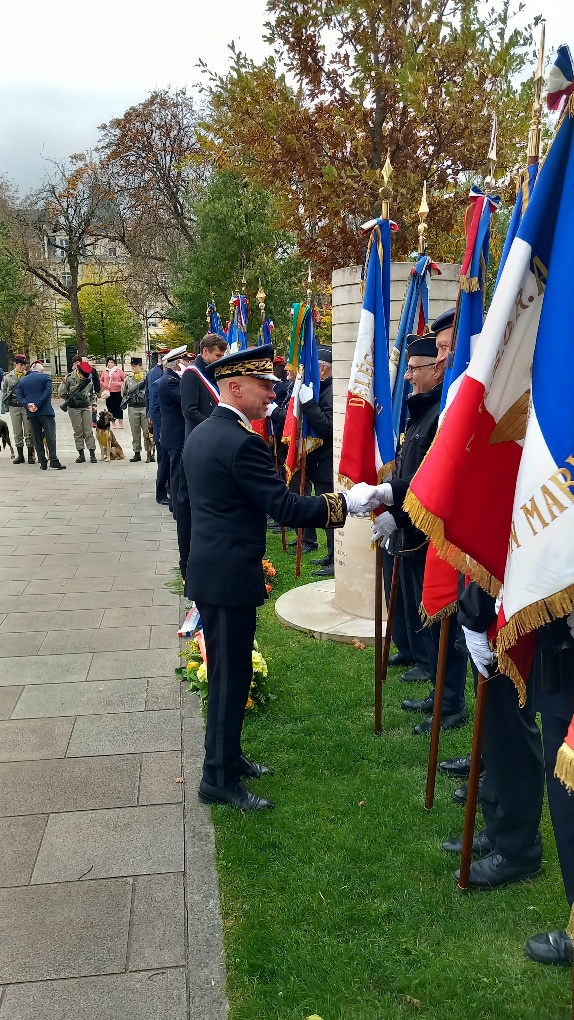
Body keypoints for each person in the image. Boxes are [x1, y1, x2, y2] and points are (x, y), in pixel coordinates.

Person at [183, 343, 386, 811]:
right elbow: (286, 507)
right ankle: (218, 779)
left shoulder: (206, 434)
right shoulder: (240, 442)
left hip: (213, 572)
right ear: (234, 387)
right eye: (263, 386)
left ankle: (228, 757)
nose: (271, 395)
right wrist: (346, 504)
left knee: (227, 677)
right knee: (231, 680)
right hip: (229, 578)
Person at [372, 332, 468, 734]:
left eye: (414, 369)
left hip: (428, 532)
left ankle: (450, 704)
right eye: (408, 368)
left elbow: (431, 482)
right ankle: (437, 689)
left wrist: (399, 513)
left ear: (438, 368)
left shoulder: (440, 415)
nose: (408, 377)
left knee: (441, 616)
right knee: (422, 614)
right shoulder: (422, 411)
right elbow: (409, 472)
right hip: (412, 531)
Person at [177, 333, 227, 578]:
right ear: (205, 351)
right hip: (196, 443)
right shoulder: (191, 375)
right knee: (188, 503)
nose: (221, 359)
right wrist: (215, 425)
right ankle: (186, 563)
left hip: (210, 443)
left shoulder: (210, 373)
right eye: (218, 355)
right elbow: (190, 410)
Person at [157, 346, 191, 518]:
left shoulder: (170, 378)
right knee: (176, 473)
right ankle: (177, 509)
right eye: (184, 360)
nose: (187, 363)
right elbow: (184, 399)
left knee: (175, 471)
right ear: (178, 362)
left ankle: (174, 505)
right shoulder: (170, 380)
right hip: (175, 434)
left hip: (174, 433)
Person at [15, 361, 65, 470]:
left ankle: (42, 461)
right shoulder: (46, 377)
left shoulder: (22, 381)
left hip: (31, 413)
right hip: (45, 411)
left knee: (37, 438)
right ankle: (53, 460)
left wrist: (28, 405)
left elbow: (19, 397)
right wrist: (38, 404)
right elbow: (47, 392)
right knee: (50, 436)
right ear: (41, 370)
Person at [58, 359, 97, 463]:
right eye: (83, 376)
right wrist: (70, 398)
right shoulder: (69, 378)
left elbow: (92, 393)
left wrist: (94, 404)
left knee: (88, 430)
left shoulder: (88, 379)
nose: (85, 378)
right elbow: (61, 392)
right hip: (73, 408)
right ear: (79, 372)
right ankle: (81, 454)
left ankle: (92, 453)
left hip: (86, 406)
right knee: (78, 430)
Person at [1, 354, 35, 464]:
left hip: (25, 406)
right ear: (16, 364)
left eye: (24, 365)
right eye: (21, 365)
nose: (23, 367)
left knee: (29, 431)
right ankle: (20, 455)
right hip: (14, 407)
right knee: (17, 431)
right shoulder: (8, 377)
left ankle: (30, 455)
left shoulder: (28, 376)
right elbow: (4, 390)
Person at [147, 348, 170, 505]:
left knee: (167, 461)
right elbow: (155, 408)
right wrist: (160, 430)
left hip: (166, 428)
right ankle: (160, 493)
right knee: (163, 462)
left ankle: (166, 489)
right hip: (162, 429)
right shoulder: (157, 378)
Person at [121, 356, 152, 463]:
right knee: (135, 431)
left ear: (141, 366)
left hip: (144, 407)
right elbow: (124, 393)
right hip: (133, 408)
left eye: (135, 366)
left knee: (146, 432)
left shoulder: (146, 379)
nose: (133, 368)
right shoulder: (128, 379)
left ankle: (149, 453)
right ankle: (137, 453)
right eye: (132, 366)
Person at [100, 357, 126, 427]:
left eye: (112, 362)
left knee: (118, 407)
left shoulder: (119, 371)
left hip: (117, 392)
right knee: (110, 407)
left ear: (114, 363)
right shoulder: (105, 371)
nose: (110, 364)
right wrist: (104, 384)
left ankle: (120, 421)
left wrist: (119, 383)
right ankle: (113, 422)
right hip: (108, 392)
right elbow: (101, 380)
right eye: (109, 362)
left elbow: (125, 379)